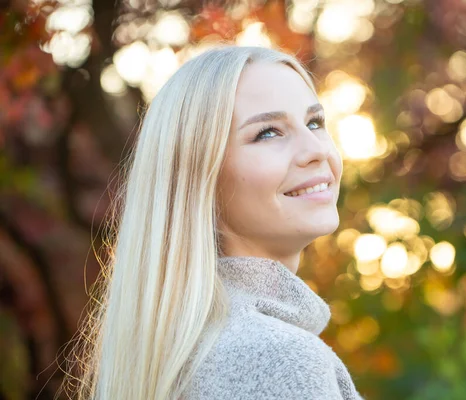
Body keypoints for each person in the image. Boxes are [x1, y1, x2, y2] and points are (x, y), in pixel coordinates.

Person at [59, 44, 364, 400]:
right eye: (268, 133)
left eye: (315, 122)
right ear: (200, 181)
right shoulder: (275, 359)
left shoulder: (190, 350)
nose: (317, 150)